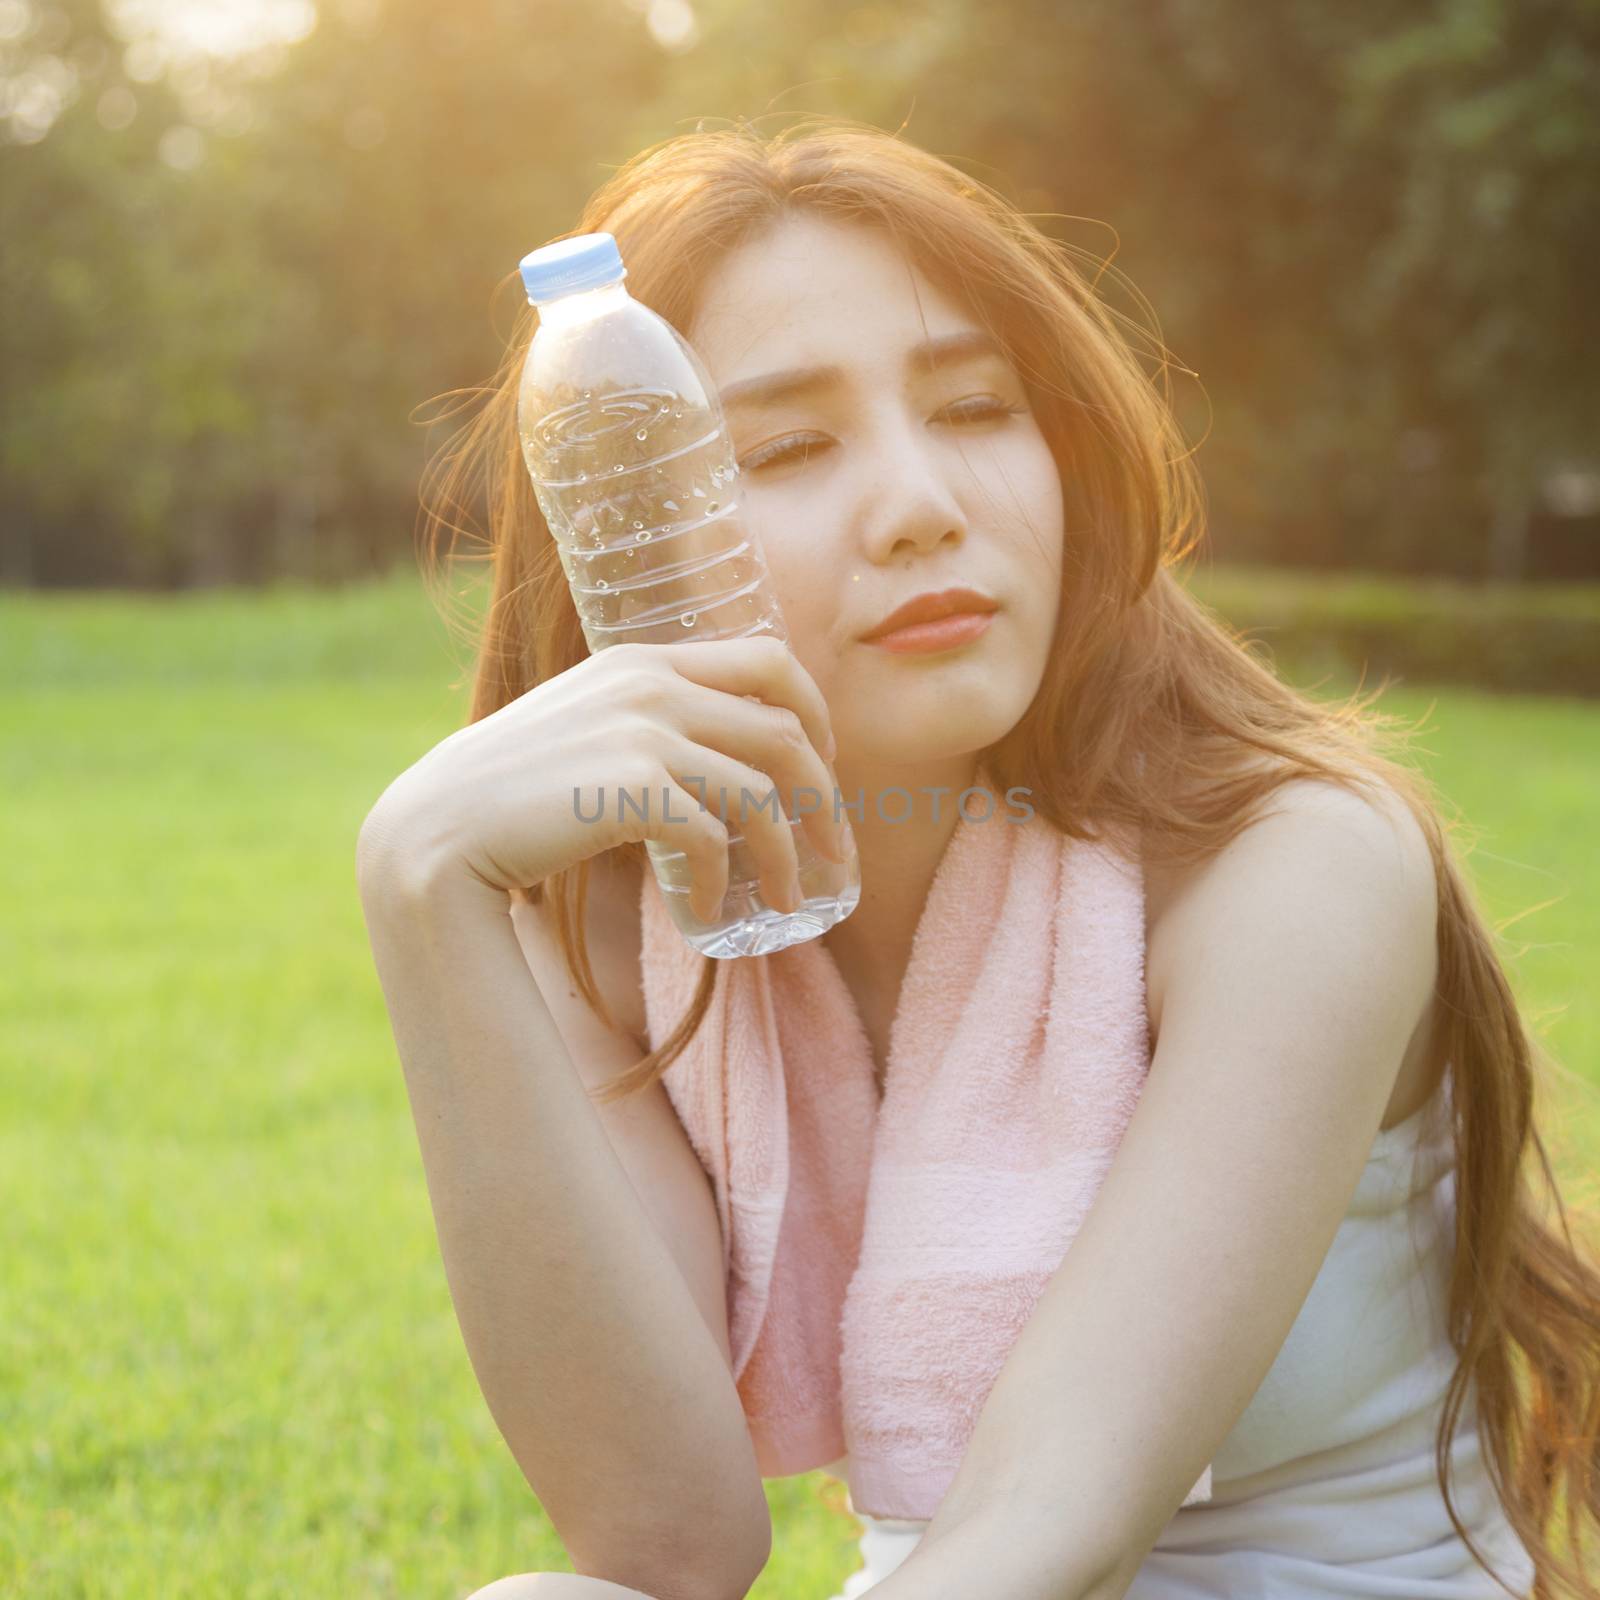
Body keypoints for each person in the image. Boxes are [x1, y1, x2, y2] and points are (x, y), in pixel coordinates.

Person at [355, 117, 1598, 1600]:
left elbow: (1045, 1530)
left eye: (974, 406)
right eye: (791, 446)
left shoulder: (1295, 863)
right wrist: (423, 887)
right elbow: (663, 1548)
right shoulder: (639, 916)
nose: (924, 505)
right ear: (630, 528)